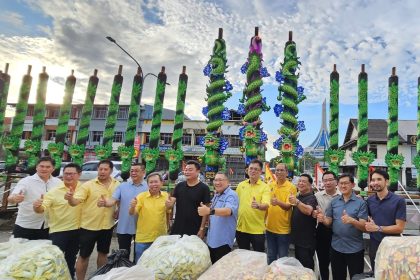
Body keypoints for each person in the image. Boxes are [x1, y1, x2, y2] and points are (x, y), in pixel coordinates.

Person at [65, 159, 120, 280]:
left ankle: (100, 278)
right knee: (84, 256)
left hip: (107, 226)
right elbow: (75, 202)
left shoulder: (117, 184)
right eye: (100, 169)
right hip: (88, 226)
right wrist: (70, 198)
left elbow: (119, 199)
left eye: (105, 169)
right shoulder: (88, 185)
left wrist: (118, 210)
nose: (102, 171)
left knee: (103, 253)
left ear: (111, 170)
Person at [33, 163, 82, 279]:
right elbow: (41, 209)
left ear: (79, 175)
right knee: (55, 259)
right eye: (66, 174)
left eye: (71, 174)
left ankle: (70, 276)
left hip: (78, 230)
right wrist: (36, 206)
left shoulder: (84, 189)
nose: (68, 176)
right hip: (59, 231)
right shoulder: (53, 192)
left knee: (71, 258)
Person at [317, 173, 368, 280]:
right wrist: (322, 218)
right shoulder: (334, 202)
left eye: (346, 183)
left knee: (356, 277)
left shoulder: (361, 203)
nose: (343, 186)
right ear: (338, 185)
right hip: (336, 248)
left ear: (353, 185)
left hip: (355, 249)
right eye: (341, 183)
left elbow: (364, 227)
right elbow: (329, 222)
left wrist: (352, 221)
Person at [98, 163, 148, 260]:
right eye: (132, 171)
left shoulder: (148, 187)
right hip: (124, 226)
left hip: (143, 227)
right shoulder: (123, 186)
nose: (133, 173)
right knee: (123, 256)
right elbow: (113, 200)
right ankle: (125, 274)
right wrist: (105, 203)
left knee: (140, 257)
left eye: (136, 171)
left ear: (143, 172)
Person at [8, 157, 62, 240]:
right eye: (41, 166)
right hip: (26, 225)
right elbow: (11, 198)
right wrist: (14, 198)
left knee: (43, 252)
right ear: (37, 167)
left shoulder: (58, 182)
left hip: (48, 226)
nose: (44, 169)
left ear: (53, 169)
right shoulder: (26, 181)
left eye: (48, 167)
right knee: (20, 251)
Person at [365, 169, 406, 272]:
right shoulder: (369, 200)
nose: (375, 182)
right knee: (377, 274)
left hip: (393, 246)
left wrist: (378, 228)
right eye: (373, 180)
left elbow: (399, 228)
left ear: (386, 181)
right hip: (374, 246)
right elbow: (367, 220)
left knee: (393, 275)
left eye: (379, 179)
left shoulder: (398, 201)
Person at [197, 172, 239, 263]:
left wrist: (209, 211)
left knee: (220, 271)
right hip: (211, 240)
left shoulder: (231, 195)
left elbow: (228, 211)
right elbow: (211, 210)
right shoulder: (217, 194)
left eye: (220, 180)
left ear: (228, 182)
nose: (217, 182)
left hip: (222, 242)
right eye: (215, 180)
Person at [129, 172, 170, 263]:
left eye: (156, 182)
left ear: (161, 183)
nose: (154, 184)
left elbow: (168, 213)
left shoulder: (166, 195)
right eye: (151, 182)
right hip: (143, 238)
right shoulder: (141, 197)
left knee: (158, 265)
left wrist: (169, 206)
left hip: (160, 238)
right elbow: (132, 213)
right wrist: (132, 206)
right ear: (147, 184)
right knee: (140, 265)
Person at [166, 160, 211, 238]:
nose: (187, 172)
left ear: (198, 172)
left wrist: (202, 228)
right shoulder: (179, 186)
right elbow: (171, 203)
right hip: (178, 226)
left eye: (190, 170)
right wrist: (169, 204)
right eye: (186, 170)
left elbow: (206, 211)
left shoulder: (204, 188)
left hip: (195, 228)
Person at [235, 159, 270, 252]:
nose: (253, 171)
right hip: (241, 228)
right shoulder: (241, 185)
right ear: (247, 170)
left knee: (258, 258)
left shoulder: (265, 187)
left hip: (257, 230)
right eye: (251, 168)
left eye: (256, 169)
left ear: (260, 171)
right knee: (243, 257)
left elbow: (266, 205)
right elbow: (235, 203)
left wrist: (258, 205)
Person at [266, 163, 297, 264]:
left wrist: (278, 202)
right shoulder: (270, 185)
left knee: (282, 259)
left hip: (283, 230)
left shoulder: (291, 187)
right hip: (269, 228)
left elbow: (288, 207)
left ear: (287, 172)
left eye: (281, 170)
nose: (278, 172)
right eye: (277, 170)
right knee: (271, 256)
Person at [313, 171, 340, 280]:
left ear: (336, 181)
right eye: (325, 180)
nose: (328, 182)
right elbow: (313, 210)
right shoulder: (317, 196)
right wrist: (314, 213)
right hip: (322, 231)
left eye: (330, 180)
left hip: (338, 231)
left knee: (337, 262)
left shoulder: (342, 196)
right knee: (323, 261)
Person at [289, 174, 318, 270]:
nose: (300, 183)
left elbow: (308, 211)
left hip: (306, 241)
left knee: (307, 266)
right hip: (298, 239)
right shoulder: (299, 196)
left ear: (310, 185)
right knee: (300, 266)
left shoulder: (311, 198)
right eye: (299, 181)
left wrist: (297, 202)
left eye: (304, 181)